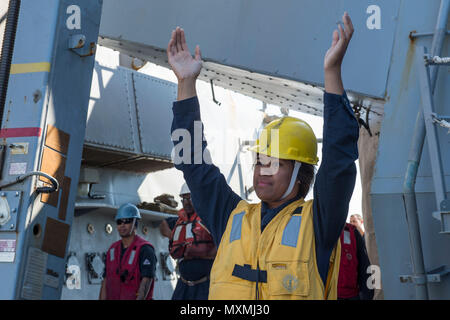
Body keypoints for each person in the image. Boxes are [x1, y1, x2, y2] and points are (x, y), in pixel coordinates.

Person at [167, 12, 357, 299]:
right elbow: (192, 162)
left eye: (275, 163)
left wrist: (332, 73)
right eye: (259, 161)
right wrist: (186, 84)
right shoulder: (229, 215)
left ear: (300, 172)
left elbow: (338, 161)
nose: (262, 170)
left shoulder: (318, 222)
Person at [159, 183, 217, 299]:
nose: (186, 201)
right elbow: (163, 225)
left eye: (190, 197)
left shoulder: (210, 219)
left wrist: (202, 254)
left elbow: (223, 245)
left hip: (205, 285)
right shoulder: (180, 220)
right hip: (184, 285)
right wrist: (176, 239)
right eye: (184, 198)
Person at [99, 203, 157, 300]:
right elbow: (105, 281)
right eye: (119, 222)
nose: (122, 225)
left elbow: (146, 283)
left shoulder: (145, 249)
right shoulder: (112, 250)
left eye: (127, 221)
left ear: (135, 223)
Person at [338, 222, 374, 300]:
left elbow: (364, 266)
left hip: (351, 294)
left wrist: (367, 295)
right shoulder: (318, 230)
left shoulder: (351, 231)